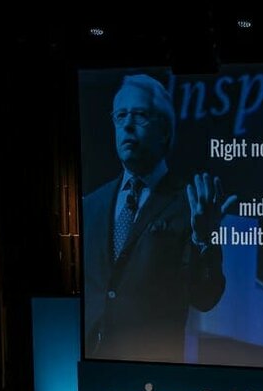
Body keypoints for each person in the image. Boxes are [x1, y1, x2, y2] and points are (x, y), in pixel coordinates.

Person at [82, 73, 233, 362]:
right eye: (120, 115)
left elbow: (205, 297)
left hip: (154, 377)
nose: (127, 125)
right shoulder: (92, 204)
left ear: (164, 130)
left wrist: (203, 238)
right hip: (95, 367)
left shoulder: (187, 205)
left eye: (139, 116)